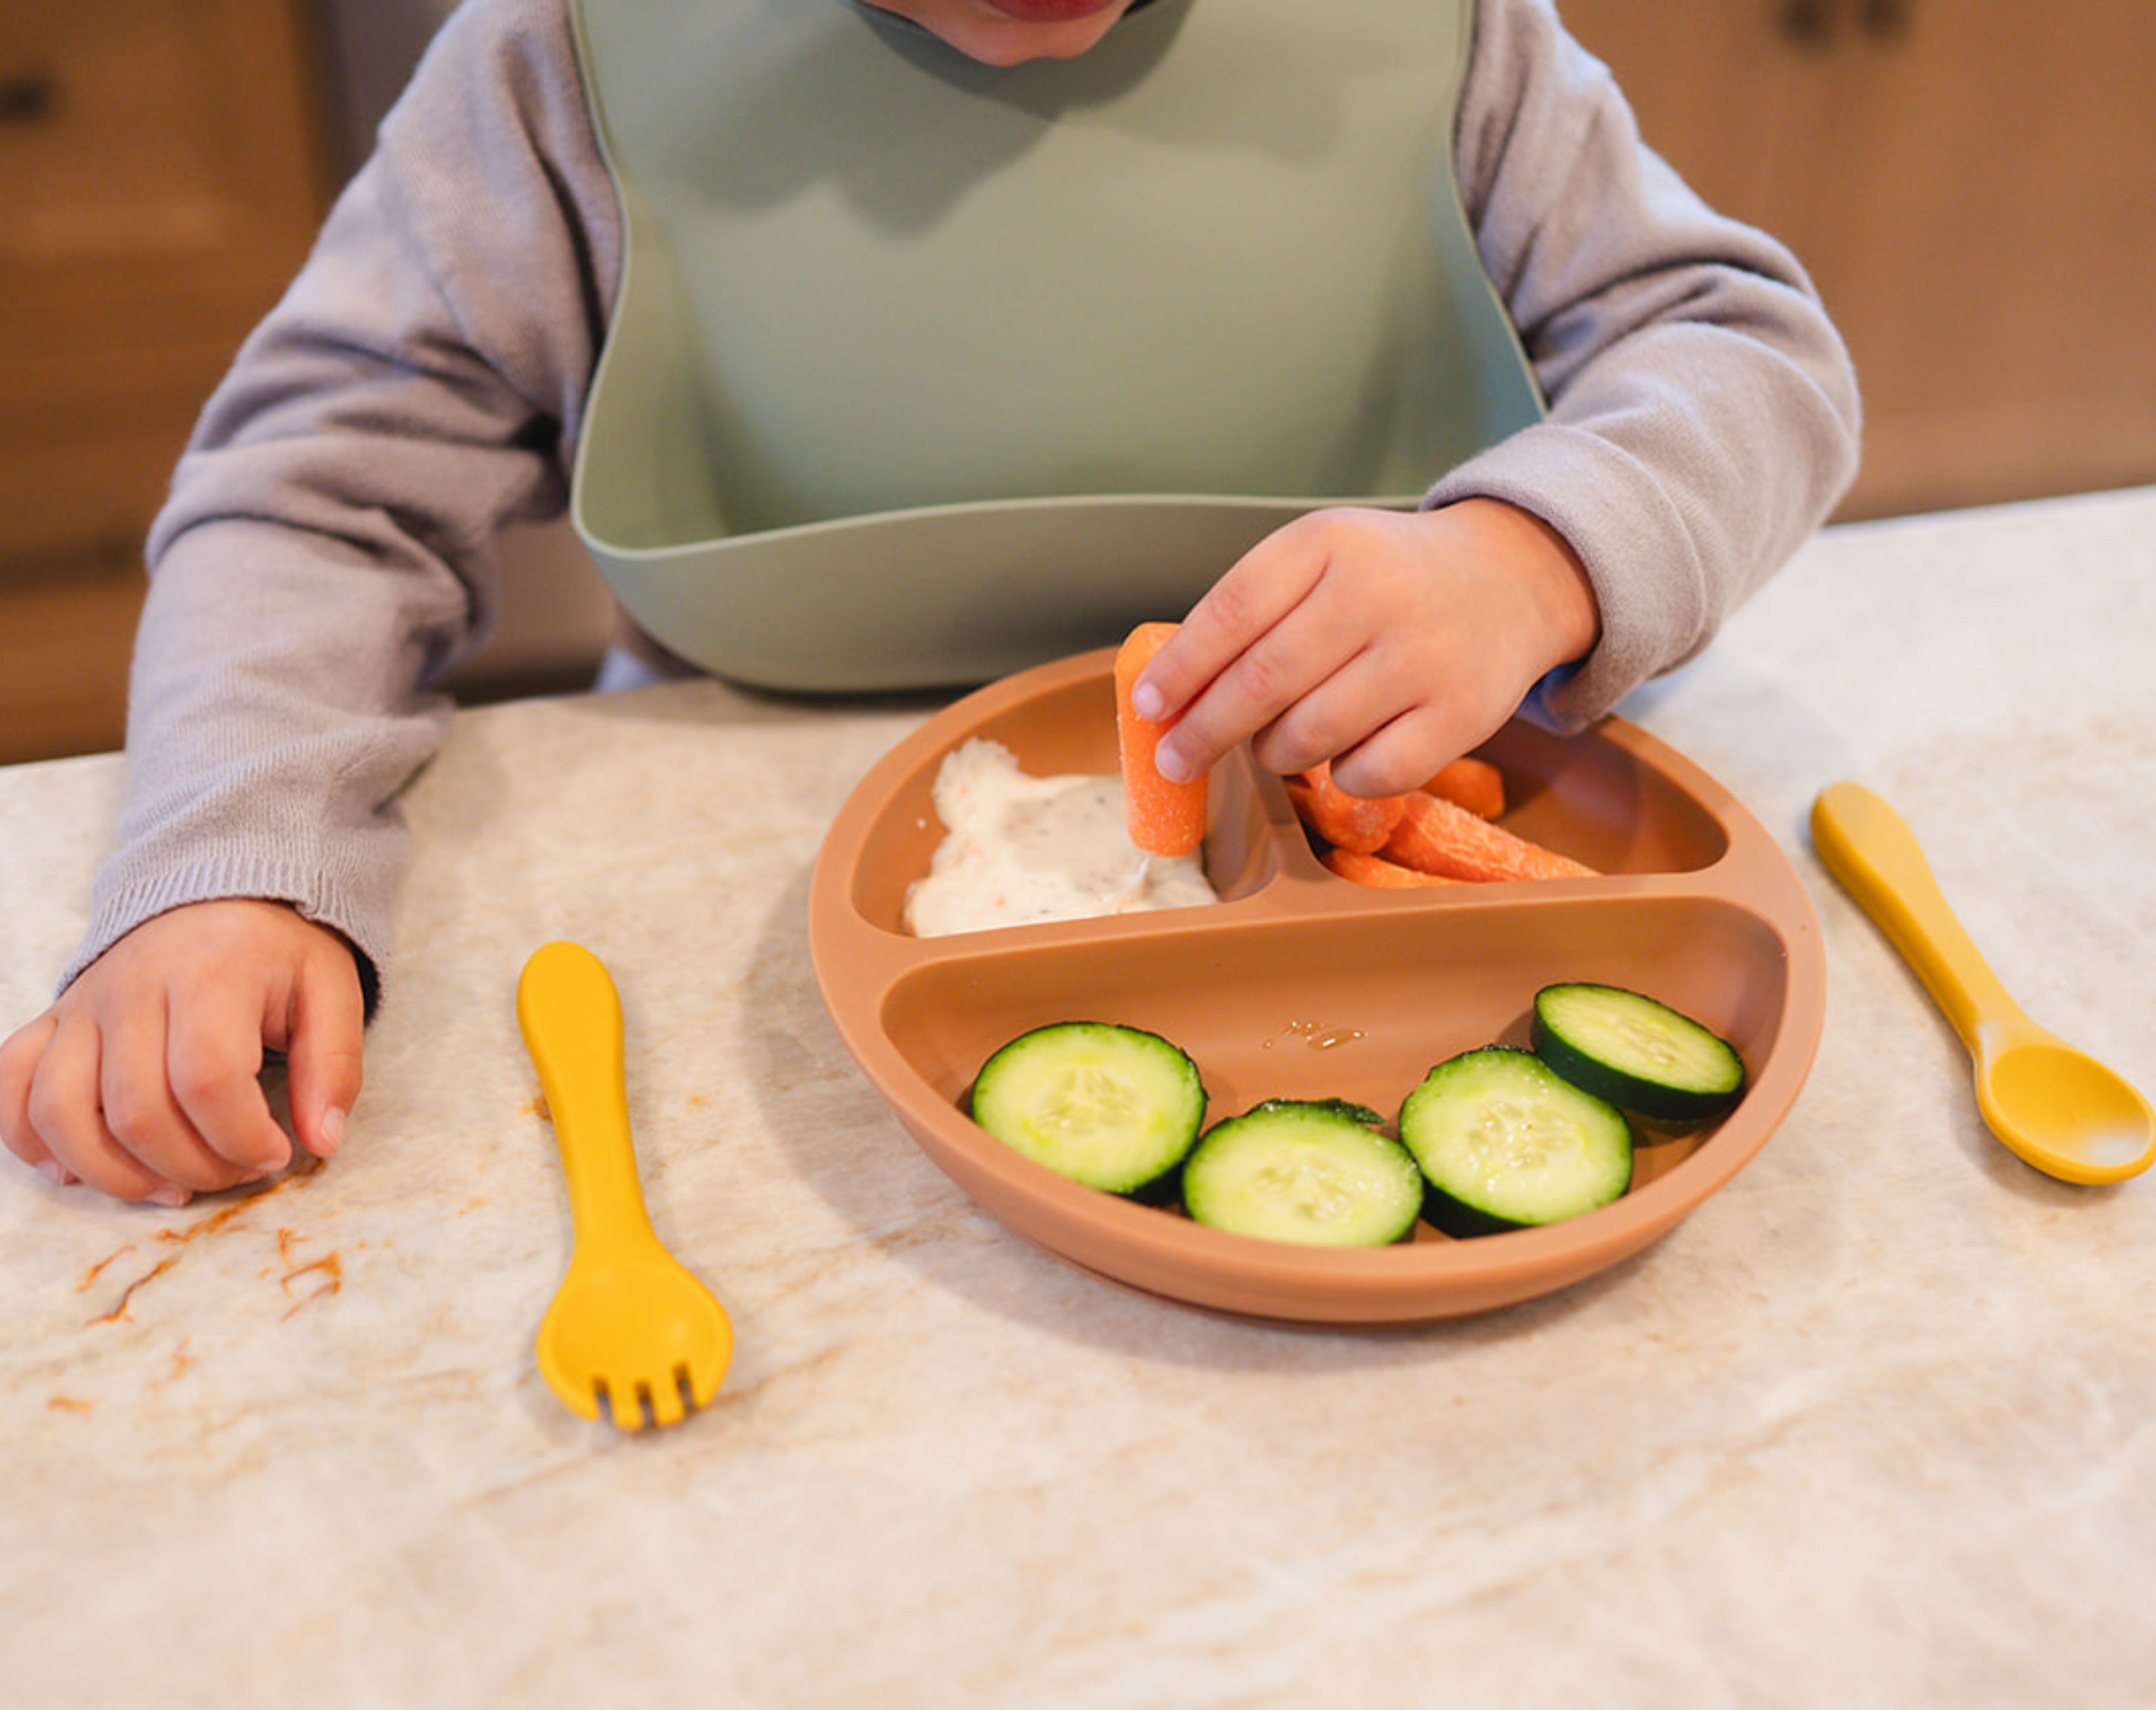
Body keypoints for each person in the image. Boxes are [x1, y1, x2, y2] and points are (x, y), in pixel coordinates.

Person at [0, 0, 1860, 1207]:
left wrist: (1532, 556)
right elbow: (316, 490)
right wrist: (233, 860)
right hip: (737, 931)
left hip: (1342, 849)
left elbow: (1748, 352)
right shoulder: (562, 57)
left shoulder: (1447, 35)